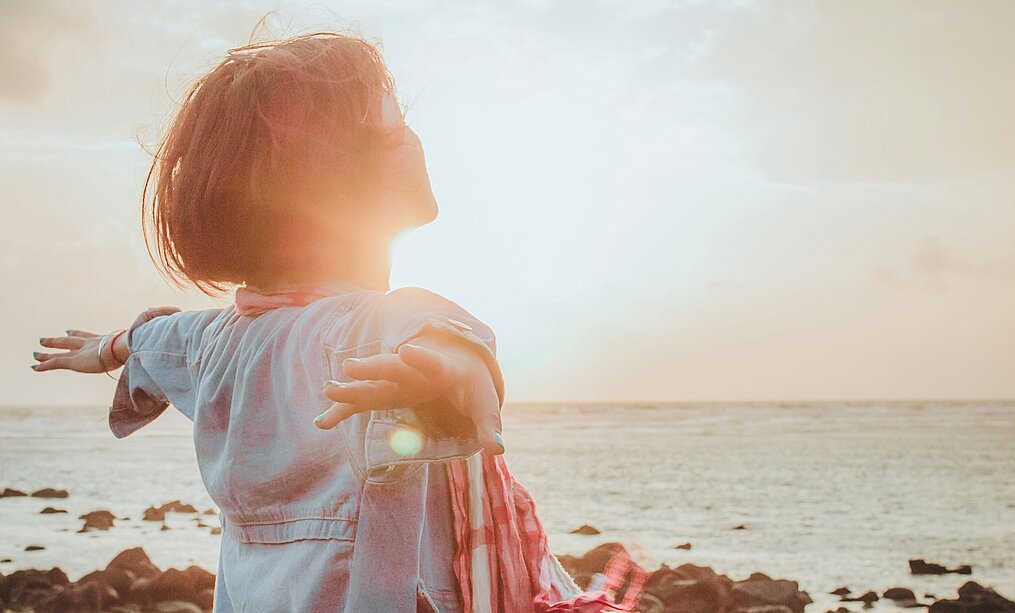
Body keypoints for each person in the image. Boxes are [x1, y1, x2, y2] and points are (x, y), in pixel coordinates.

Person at [29, 32, 620, 612]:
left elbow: (154, 342)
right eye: (391, 124)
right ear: (328, 179)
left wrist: (108, 348)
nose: (411, 136)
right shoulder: (368, 325)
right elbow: (431, 329)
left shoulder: (214, 341)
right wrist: (449, 370)